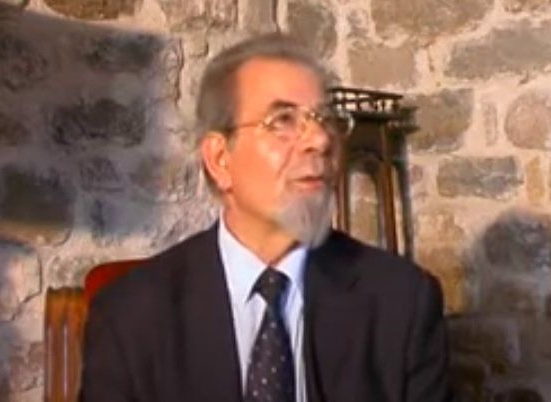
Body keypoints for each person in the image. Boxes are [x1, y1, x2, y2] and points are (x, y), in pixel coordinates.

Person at [79, 32, 451, 402]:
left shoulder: (402, 302)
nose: (320, 140)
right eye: (283, 120)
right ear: (220, 159)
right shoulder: (131, 316)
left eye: (325, 118)